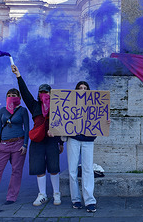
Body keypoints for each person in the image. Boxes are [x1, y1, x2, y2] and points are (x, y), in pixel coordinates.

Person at [11, 65, 64, 206]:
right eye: (41, 92)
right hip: (37, 140)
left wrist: (61, 142)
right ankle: (42, 194)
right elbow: (25, 92)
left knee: (54, 168)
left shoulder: (58, 107)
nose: (44, 94)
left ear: (51, 93)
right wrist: (18, 75)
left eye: (46, 91)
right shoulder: (34, 106)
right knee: (38, 168)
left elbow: (64, 124)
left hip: (52, 140)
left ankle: (56, 194)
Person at [66, 81, 97, 212]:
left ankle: (89, 200)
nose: (82, 90)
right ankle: (76, 199)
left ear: (88, 90)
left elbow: (100, 118)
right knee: (72, 170)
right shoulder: (69, 104)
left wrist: (105, 122)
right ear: (76, 90)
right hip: (73, 138)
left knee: (88, 170)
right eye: (80, 88)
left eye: (85, 88)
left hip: (88, 140)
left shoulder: (94, 105)